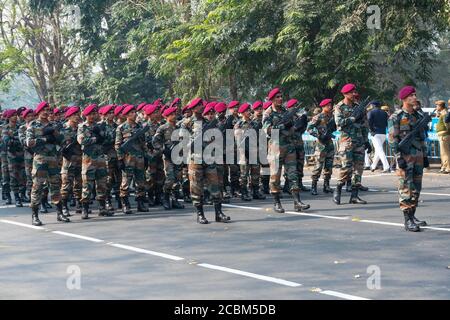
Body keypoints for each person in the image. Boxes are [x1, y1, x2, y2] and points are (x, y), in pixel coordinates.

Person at [182, 98, 230, 224]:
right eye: (198, 105)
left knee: (215, 185)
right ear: (193, 109)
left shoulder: (207, 122)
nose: (202, 107)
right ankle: (200, 214)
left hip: (209, 157)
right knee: (196, 187)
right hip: (195, 159)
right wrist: (191, 143)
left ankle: (218, 213)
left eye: (201, 105)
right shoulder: (186, 123)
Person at [262, 88, 310, 213]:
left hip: (289, 147)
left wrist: (298, 124)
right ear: (272, 99)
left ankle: (297, 202)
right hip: (276, 148)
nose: (280, 99)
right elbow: (267, 130)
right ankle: (277, 202)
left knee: (293, 174)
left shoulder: (286, 111)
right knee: (275, 177)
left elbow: (294, 127)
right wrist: (282, 125)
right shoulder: (268, 113)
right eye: (277, 97)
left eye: (281, 96)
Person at [388, 86, 428, 232]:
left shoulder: (418, 115)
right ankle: (407, 220)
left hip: (417, 155)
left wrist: (425, 155)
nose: (414, 97)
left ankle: (413, 216)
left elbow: (422, 136)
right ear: (404, 99)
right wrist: (398, 158)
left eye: (415, 95)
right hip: (405, 156)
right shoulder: (396, 117)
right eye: (411, 95)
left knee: (417, 187)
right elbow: (392, 139)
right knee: (406, 187)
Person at [26, 101, 69, 226]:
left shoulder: (53, 125)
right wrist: (44, 139)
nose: (46, 112)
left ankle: (60, 213)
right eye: (43, 110)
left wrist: (55, 133)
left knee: (56, 186)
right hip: (40, 160)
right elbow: (29, 142)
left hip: (53, 160)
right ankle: (35, 215)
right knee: (37, 187)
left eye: (48, 110)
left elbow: (63, 141)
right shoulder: (33, 125)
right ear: (38, 112)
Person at [333, 83, 370, 205]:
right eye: (352, 92)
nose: (354, 94)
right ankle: (337, 190)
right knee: (346, 168)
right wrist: (353, 118)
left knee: (358, 169)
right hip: (346, 141)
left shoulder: (359, 106)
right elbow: (339, 123)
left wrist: (366, 140)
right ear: (345, 94)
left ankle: (354, 196)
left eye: (355, 92)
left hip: (359, 141)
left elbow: (365, 125)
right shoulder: (339, 107)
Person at [77, 104, 111, 218]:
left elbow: (108, 138)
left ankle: (102, 208)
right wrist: (95, 138)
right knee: (87, 184)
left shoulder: (101, 126)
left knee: (102, 183)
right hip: (89, 159)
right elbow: (82, 141)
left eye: (94, 113)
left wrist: (101, 134)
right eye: (90, 114)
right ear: (86, 115)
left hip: (100, 157)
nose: (93, 116)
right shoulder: (82, 127)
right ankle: (85, 209)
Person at [115, 105, 150, 213]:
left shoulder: (140, 127)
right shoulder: (121, 128)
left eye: (135, 112)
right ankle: (126, 204)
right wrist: (120, 159)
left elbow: (144, 143)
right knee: (126, 182)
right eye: (131, 113)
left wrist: (146, 156)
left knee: (140, 182)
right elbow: (117, 145)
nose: (134, 114)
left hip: (139, 158)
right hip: (128, 159)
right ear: (126, 115)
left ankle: (140, 203)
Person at [307, 98, 335, 195]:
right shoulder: (318, 117)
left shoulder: (332, 116)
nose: (330, 107)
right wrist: (318, 135)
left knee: (329, 166)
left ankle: (326, 186)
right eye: (328, 105)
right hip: (321, 144)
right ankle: (313, 187)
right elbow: (309, 128)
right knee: (318, 166)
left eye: (330, 105)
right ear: (323, 106)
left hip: (329, 143)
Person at [367, 101, 390, 173]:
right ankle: (373, 166)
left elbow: (369, 121)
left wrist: (371, 130)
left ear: (373, 105)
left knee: (380, 150)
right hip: (383, 133)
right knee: (378, 150)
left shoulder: (371, 112)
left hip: (375, 133)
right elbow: (387, 123)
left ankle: (386, 167)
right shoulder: (384, 113)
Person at [435, 100, 450, 174]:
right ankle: (444, 167)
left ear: (440, 106)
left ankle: (448, 168)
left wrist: (447, 131)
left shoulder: (444, 113)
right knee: (442, 153)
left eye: (437, 105)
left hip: (444, 135)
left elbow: (447, 124)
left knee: (445, 153)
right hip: (442, 135)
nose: (436, 107)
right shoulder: (443, 113)